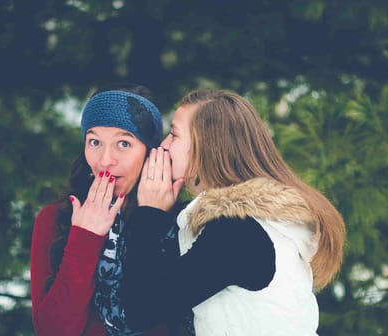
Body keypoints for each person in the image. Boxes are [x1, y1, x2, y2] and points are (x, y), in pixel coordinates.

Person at [120, 88, 346, 335]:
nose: (163, 146)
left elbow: (141, 310)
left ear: (206, 147)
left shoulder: (236, 233)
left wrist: (150, 214)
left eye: (174, 135)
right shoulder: (257, 223)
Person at [30, 86, 185, 335]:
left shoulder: (180, 220)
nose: (105, 160)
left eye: (124, 143)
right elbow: (53, 330)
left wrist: (152, 218)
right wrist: (84, 237)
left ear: (149, 153)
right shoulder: (54, 219)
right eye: (94, 142)